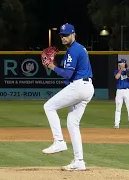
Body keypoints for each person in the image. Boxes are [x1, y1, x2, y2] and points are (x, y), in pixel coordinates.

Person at [41, 23, 94, 171]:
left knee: (49, 106)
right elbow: (69, 76)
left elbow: (68, 74)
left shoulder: (73, 50)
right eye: (62, 35)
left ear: (73, 34)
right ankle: (79, 161)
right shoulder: (78, 49)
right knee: (72, 123)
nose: (63, 38)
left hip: (80, 86)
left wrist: (52, 67)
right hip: (87, 87)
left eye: (66, 35)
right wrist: (57, 66)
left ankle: (59, 141)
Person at [113, 58, 129, 129]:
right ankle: (116, 124)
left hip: (127, 91)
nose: (119, 64)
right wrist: (121, 70)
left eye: (121, 62)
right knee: (118, 108)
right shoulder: (117, 71)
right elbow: (117, 77)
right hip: (119, 91)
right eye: (119, 63)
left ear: (124, 63)